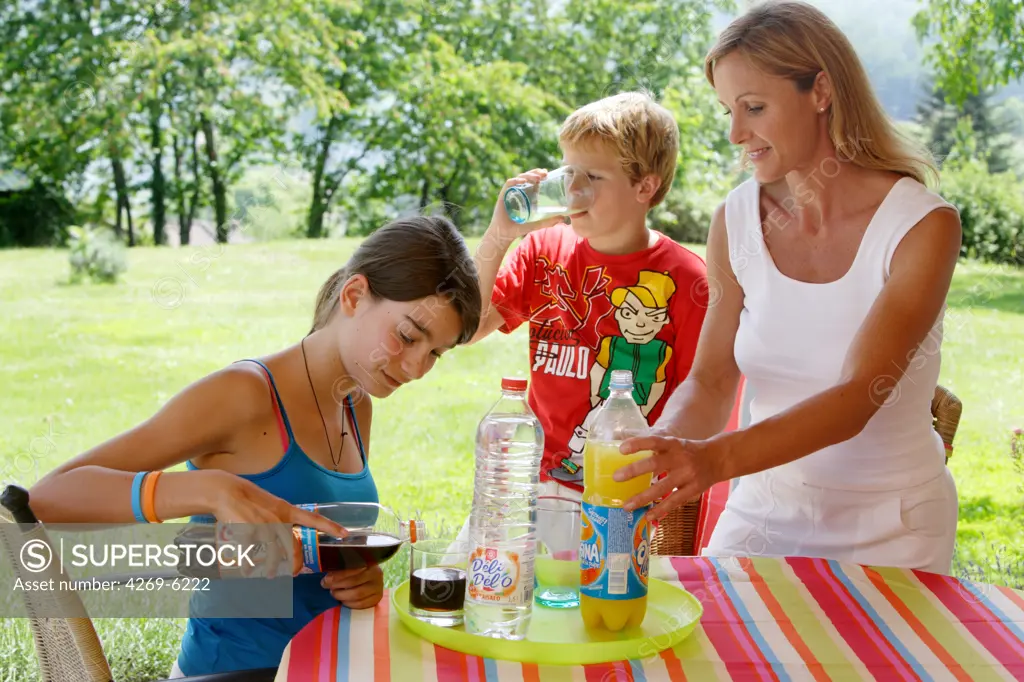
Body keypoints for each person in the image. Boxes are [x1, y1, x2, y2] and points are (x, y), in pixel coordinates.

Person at [26, 216, 482, 676]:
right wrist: (211, 490)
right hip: (233, 672)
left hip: (325, 665)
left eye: (435, 354)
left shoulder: (355, 403)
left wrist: (356, 578)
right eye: (407, 337)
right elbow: (48, 499)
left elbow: (306, 550)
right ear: (354, 296)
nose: (417, 368)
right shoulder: (244, 394)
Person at [613, 0, 962, 575]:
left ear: (820, 90)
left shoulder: (922, 225)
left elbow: (858, 396)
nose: (734, 133)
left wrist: (715, 459)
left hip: (897, 529)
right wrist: (663, 447)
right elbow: (712, 378)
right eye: (728, 109)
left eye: (753, 107)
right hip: (764, 516)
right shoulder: (737, 220)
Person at [468, 91, 709, 509]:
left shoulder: (688, 281)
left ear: (645, 187)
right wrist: (500, 235)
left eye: (593, 178)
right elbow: (467, 327)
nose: (573, 190)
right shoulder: (543, 251)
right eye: (568, 173)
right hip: (538, 487)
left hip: (629, 493)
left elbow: (702, 401)